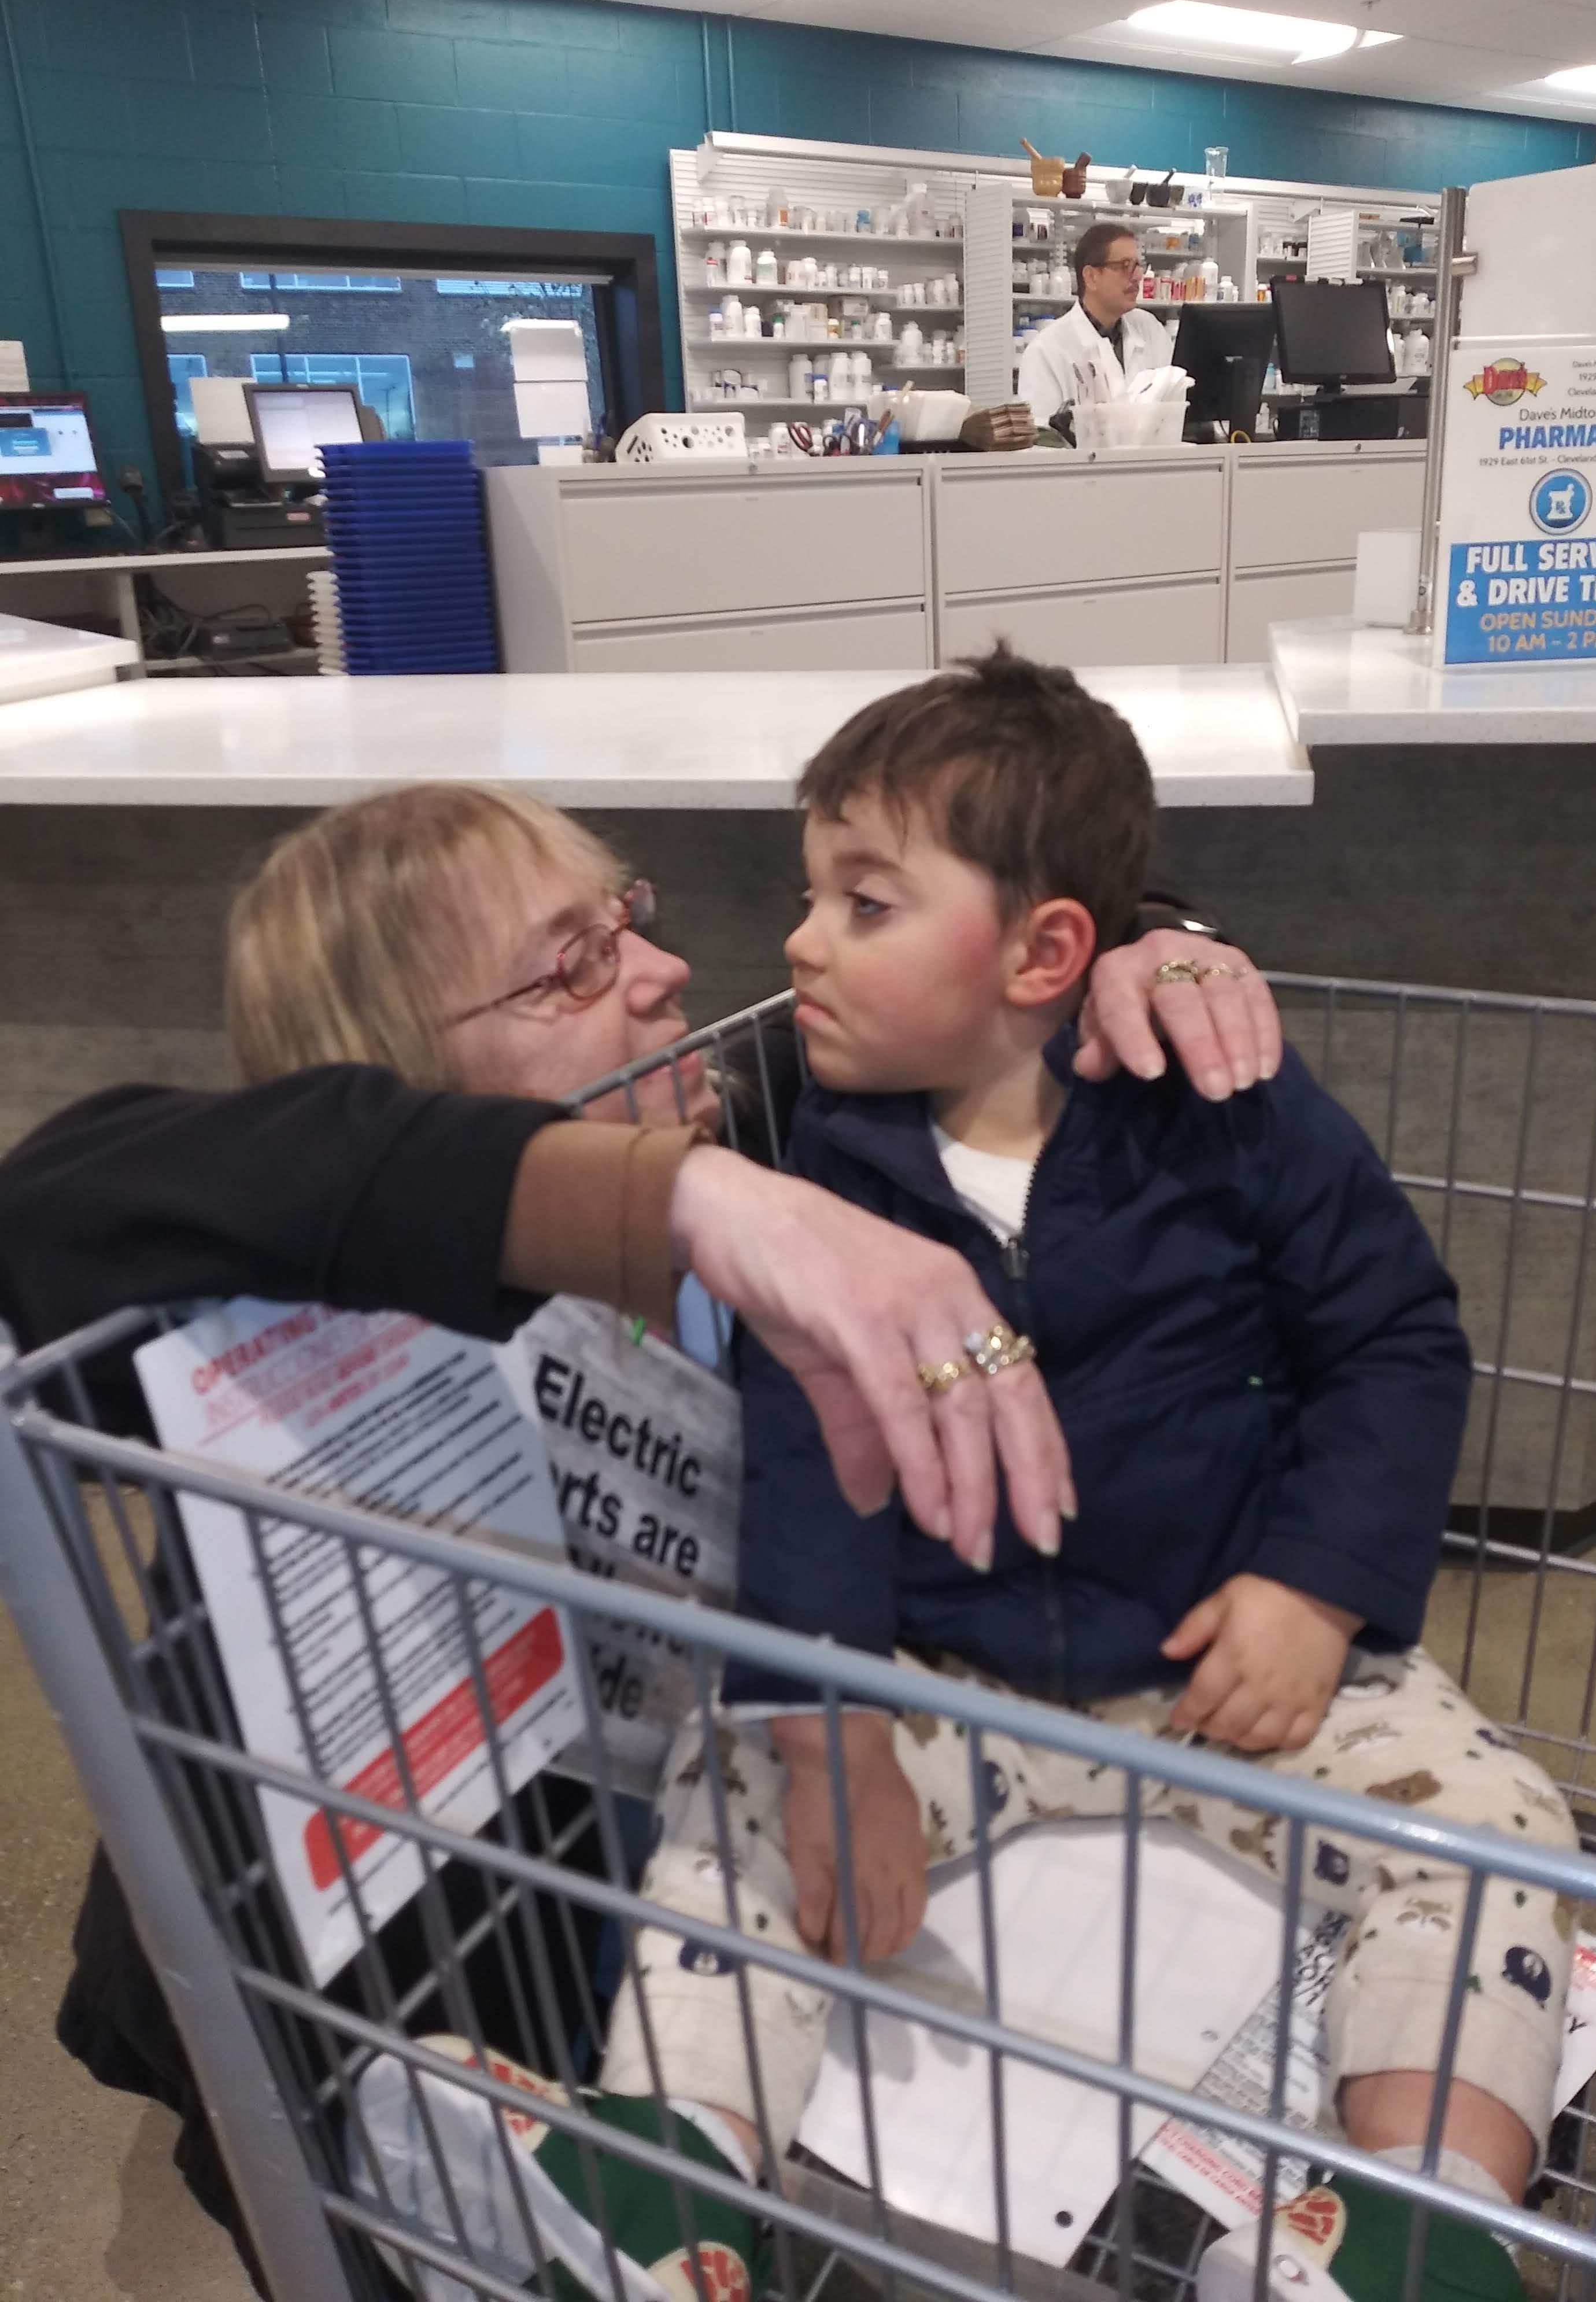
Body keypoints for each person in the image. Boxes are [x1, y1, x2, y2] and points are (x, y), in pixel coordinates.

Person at [0, 776, 1280, 2291]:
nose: (668, 971)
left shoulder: (740, 1121)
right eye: (574, 963)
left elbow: (984, 932)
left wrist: (1154, 942)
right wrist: (675, 1207)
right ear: (405, 1085)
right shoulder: (306, 1313)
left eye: (631, 918)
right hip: (355, 1999)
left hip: (650, 1911)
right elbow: (58, 1199)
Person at [603, 654, 1580, 2302]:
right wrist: (835, 1736)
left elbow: (1398, 1341)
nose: (799, 942)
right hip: (944, 1673)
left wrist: (1318, 1588)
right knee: (728, 1827)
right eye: (810, 895)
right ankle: (656, 2205)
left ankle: (1411, 2233)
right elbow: (800, 1468)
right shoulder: (819, 1182)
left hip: (1230, 1668)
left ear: (1049, 951)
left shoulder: (1231, 1114)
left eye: (863, 902)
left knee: (1497, 1841)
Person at [1017, 219, 1176, 427]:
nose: (1138, 277)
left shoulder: (1149, 329)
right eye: (1125, 266)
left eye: (1138, 266)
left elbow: (1175, 404)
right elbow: (1044, 441)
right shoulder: (1045, 352)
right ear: (1091, 277)